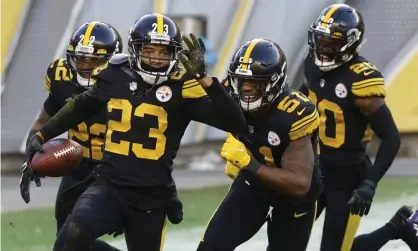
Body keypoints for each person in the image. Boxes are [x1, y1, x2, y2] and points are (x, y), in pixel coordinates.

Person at [23, 13, 246, 251]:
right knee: (74, 232)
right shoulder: (115, 74)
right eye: (149, 50)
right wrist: (41, 135)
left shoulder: (183, 86)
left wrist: (206, 80)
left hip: (152, 195)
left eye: (164, 52)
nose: (156, 58)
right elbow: (79, 106)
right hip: (109, 185)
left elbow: (235, 123)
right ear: (135, 49)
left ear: (175, 54)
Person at [197, 38, 323, 251]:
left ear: (275, 81)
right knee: (211, 247)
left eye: (256, 82)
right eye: (242, 80)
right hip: (253, 187)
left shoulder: (295, 112)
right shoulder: (230, 91)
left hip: (293, 197)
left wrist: (248, 163)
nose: (246, 88)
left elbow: (300, 183)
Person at [300, 3, 401, 250]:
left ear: (351, 42)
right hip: (315, 170)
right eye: (320, 39)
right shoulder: (311, 64)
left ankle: (396, 228)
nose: (323, 47)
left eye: (331, 42)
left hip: (348, 177)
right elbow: (309, 97)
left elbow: (391, 137)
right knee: (284, 237)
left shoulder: (361, 79)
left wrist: (370, 183)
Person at [19, 21, 122, 251]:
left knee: (70, 241)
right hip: (78, 166)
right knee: (68, 242)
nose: (86, 66)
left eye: (96, 60)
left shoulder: (126, 83)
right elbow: (44, 118)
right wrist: (30, 154)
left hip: (117, 169)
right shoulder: (61, 75)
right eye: (81, 58)